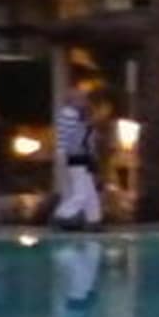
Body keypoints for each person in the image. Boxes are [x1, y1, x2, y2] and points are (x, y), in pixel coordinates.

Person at [54, 83, 103, 229]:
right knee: (82, 191)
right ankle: (63, 214)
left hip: (78, 154)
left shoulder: (74, 114)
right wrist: (90, 126)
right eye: (81, 99)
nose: (85, 102)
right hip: (76, 155)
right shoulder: (70, 114)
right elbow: (76, 137)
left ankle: (94, 219)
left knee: (89, 190)